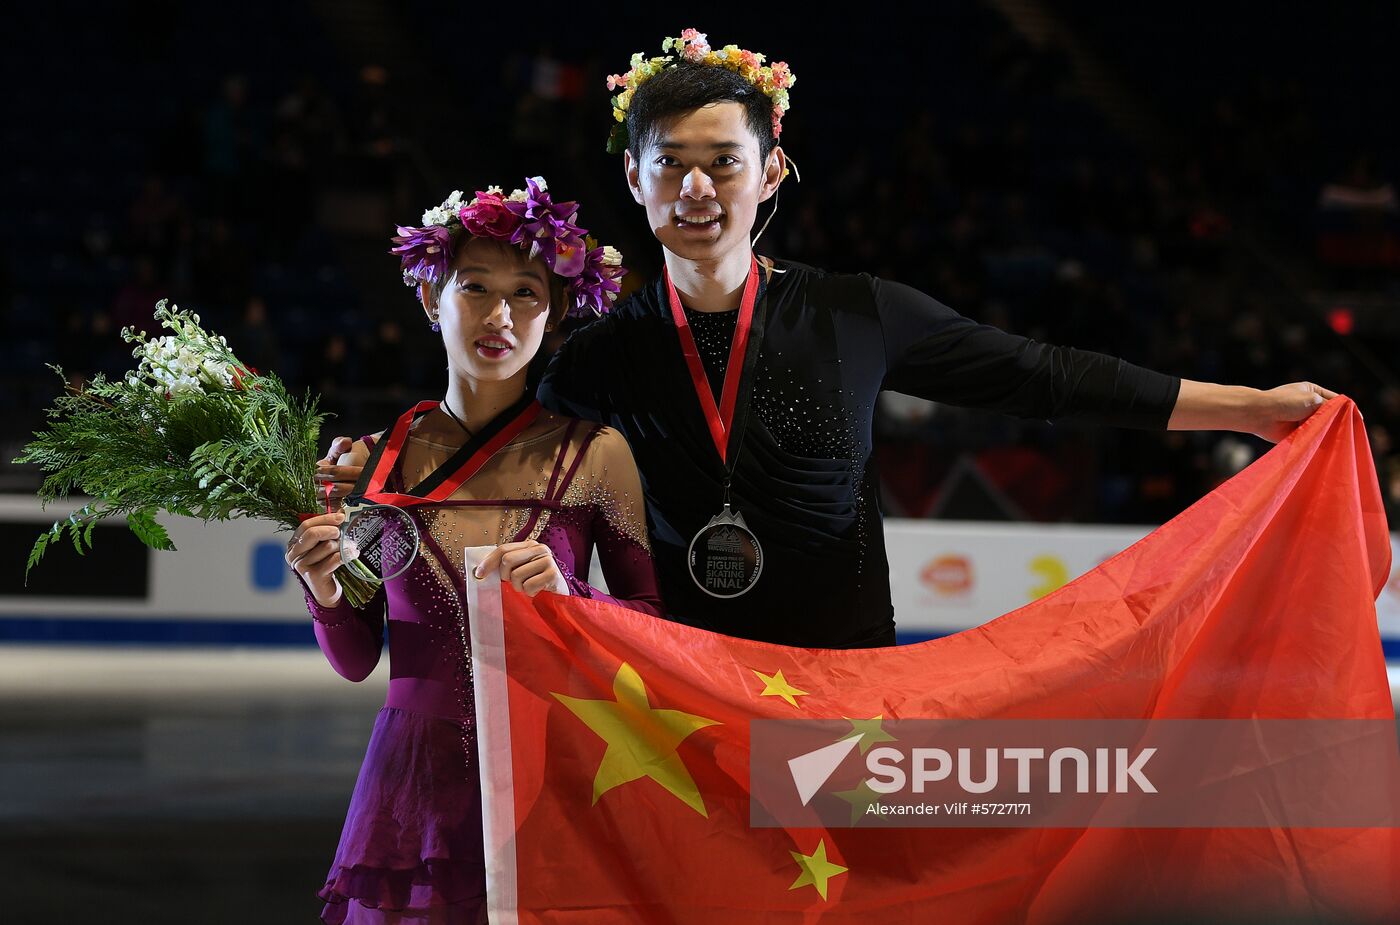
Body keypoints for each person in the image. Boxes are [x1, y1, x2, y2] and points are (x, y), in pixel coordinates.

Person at [322, 30, 1335, 650]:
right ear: (632, 181)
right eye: (668, 163)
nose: (695, 187)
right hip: (672, 695)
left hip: (841, 693)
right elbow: (499, 463)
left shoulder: (858, 312)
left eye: (722, 162)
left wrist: (1251, 410)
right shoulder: (593, 360)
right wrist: (372, 471)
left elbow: (1042, 377)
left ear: (769, 175)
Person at [286, 177, 660, 924]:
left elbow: (653, 622)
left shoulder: (597, 455)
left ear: (554, 313)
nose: (499, 315)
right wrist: (323, 591)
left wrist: (572, 598)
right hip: (413, 787)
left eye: (526, 293)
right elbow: (358, 660)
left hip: (553, 767)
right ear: (431, 300)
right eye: (474, 287)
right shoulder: (373, 461)